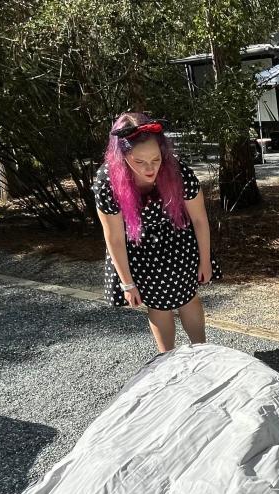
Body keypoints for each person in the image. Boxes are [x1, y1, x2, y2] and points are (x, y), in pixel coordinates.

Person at [93, 112, 222, 352]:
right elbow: (114, 237)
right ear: (122, 156)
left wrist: (205, 260)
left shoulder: (177, 170)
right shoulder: (107, 181)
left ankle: (203, 355)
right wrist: (127, 284)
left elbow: (199, 219)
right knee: (158, 305)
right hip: (138, 247)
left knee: (188, 297)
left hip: (178, 240)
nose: (150, 168)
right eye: (139, 162)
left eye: (156, 158)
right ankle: (168, 362)